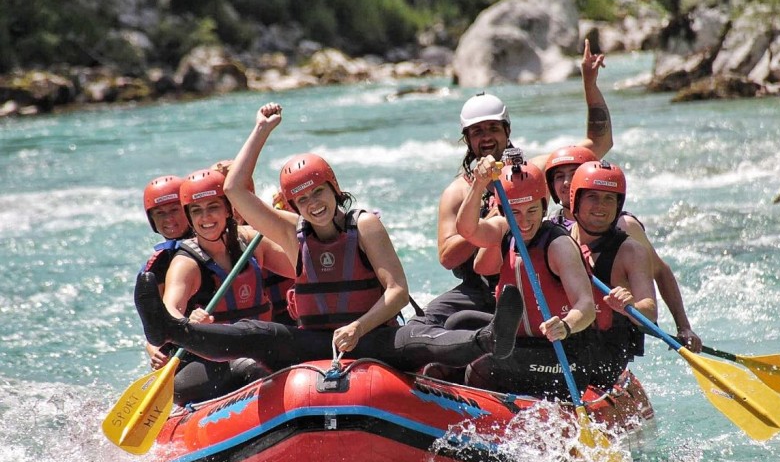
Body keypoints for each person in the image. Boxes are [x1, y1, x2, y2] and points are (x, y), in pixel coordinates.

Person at [132, 103, 525, 375]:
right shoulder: (290, 231)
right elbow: (234, 190)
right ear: (293, 205)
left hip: (373, 338)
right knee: (257, 335)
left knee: (420, 338)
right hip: (314, 342)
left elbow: (397, 293)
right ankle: (170, 330)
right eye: (301, 199)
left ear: (334, 189)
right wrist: (261, 131)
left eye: (318, 193)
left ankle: (489, 338)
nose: (312, 204)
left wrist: (359, 327)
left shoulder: (364, 224)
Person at [423, 39, 613, 327]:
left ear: (507, 131)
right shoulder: (460, 191)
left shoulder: (534, 173)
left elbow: (599, 142)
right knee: (429, 320)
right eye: (477, 132)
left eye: (492, 129)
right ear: (468, 140)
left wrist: (589, 83)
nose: (486, 137)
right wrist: (494, 211)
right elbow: (448, 257)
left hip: (534, 278)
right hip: (481, 289)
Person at [454, 158, 597, 399]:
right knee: (457, 324)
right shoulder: (505, 233)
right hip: (521, 346)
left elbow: (586, 306)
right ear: (503, 212)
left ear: (544, 208)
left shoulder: (558, 245)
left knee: (480, 368)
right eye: (515, 212)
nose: (524, 222)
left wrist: (565, 325)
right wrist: (480, 183)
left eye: (532, 210)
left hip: (563, 352)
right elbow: (467, 230)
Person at [544, 145, 702, 351]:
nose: (566, 183)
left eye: (608, 198)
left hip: (608, 346)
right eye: (559, 176)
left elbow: (660, 273)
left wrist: (683, 327)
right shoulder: (550, 230)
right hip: (567, 341)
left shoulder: (627, 231)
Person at [161, 168, 296, 404]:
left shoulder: (253, 242)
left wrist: (286, 218)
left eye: (213, 207)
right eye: (196, 210)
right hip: (210, 363)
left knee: (269, 359)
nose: (205, 218)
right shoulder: (186, 263)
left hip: (259, 349)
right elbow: (169, 309)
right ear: (189, 217)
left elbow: (301, 268)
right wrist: (187, 323)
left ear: (228, 209)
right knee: (254, 366)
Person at [568, 160, 658, 389]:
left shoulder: (631, 251)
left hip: (604, 353)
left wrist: (630, 306)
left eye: (609, 198)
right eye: (593, 197)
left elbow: (650, 311)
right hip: (563, 338)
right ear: (575, 200)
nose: (601, 206)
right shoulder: (558, 239)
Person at [211, 158, 296, 326]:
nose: (232, 209)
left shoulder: (274, 223)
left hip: (290, 321)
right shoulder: (203, 241)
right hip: (244, 330)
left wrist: (294, 211)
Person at [138, 175, 192, 371]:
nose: (168, 219)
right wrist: (153, 349)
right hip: (190, 350)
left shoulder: (218, 243)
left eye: (174, 210)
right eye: (160, 213)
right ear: (152, 220)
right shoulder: (154, 269)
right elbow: (154, 329)